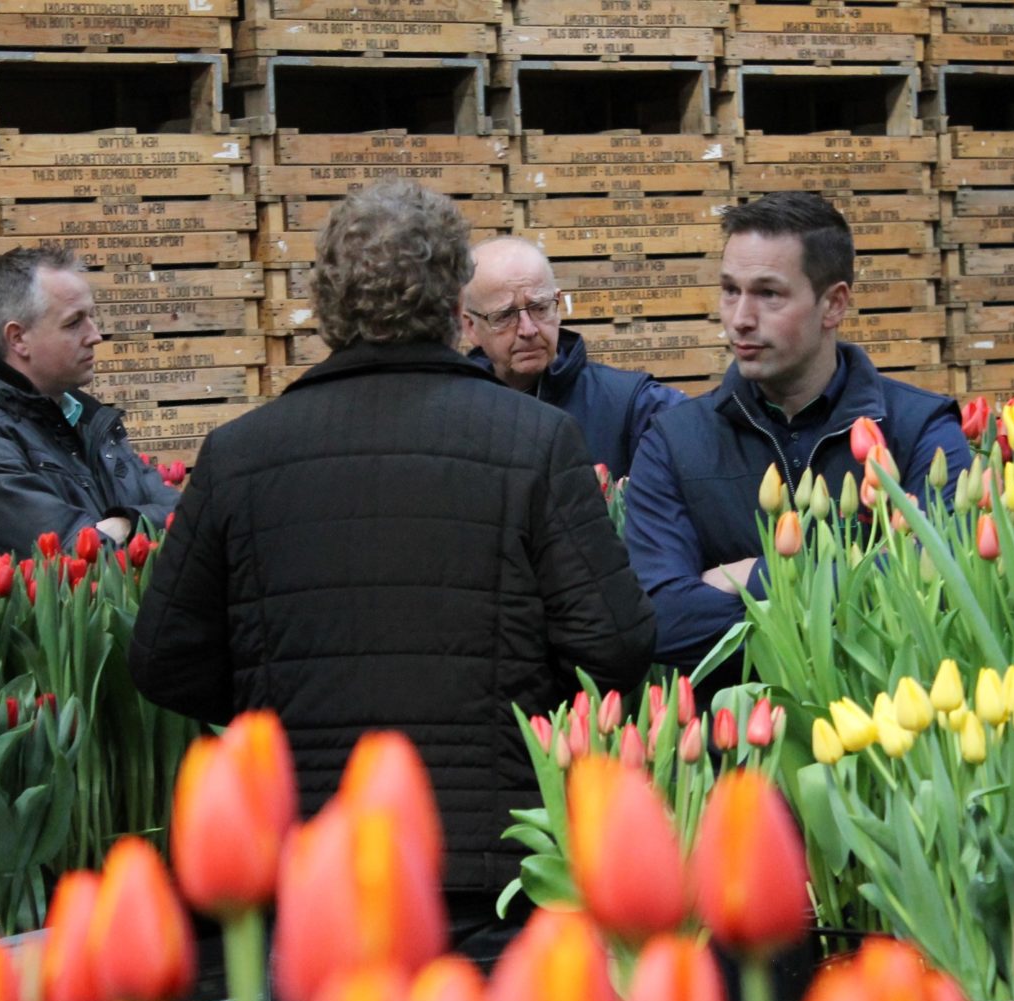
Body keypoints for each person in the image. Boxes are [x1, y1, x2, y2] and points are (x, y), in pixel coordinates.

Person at [130, 180, 655, 906]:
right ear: (454, 308)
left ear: (327, 306)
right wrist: (518, 697)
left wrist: (273, 691)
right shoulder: (533, 442)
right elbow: (616, 645)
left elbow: (162, 661)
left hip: (311, 860)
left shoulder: (240, 455)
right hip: (491, 858)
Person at [624, 191, 972, 675]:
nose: (740, 318)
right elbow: (658, 618)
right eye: (730, 290)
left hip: (886, 735)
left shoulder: (918, 429)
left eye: (769, 293)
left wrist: (750, 577)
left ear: (833, 304)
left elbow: (944, 586)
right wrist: (848, 601)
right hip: (738, 740)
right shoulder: (674, 440)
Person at [0, 245, 174, 566]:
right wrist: (139, 525)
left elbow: (188, 516)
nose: (95, 336)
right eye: (73, 322)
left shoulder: (87, 419)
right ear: (17, 339)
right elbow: (75, 558)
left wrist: (126, 522)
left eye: (91, 317)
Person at [462, 236, 688, 479]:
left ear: (557, 305)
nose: (528, 330)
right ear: (471, 327)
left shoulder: (631, 406)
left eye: (540, 308)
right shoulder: (454, 413)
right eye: (504, 316)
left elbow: (705, 433)